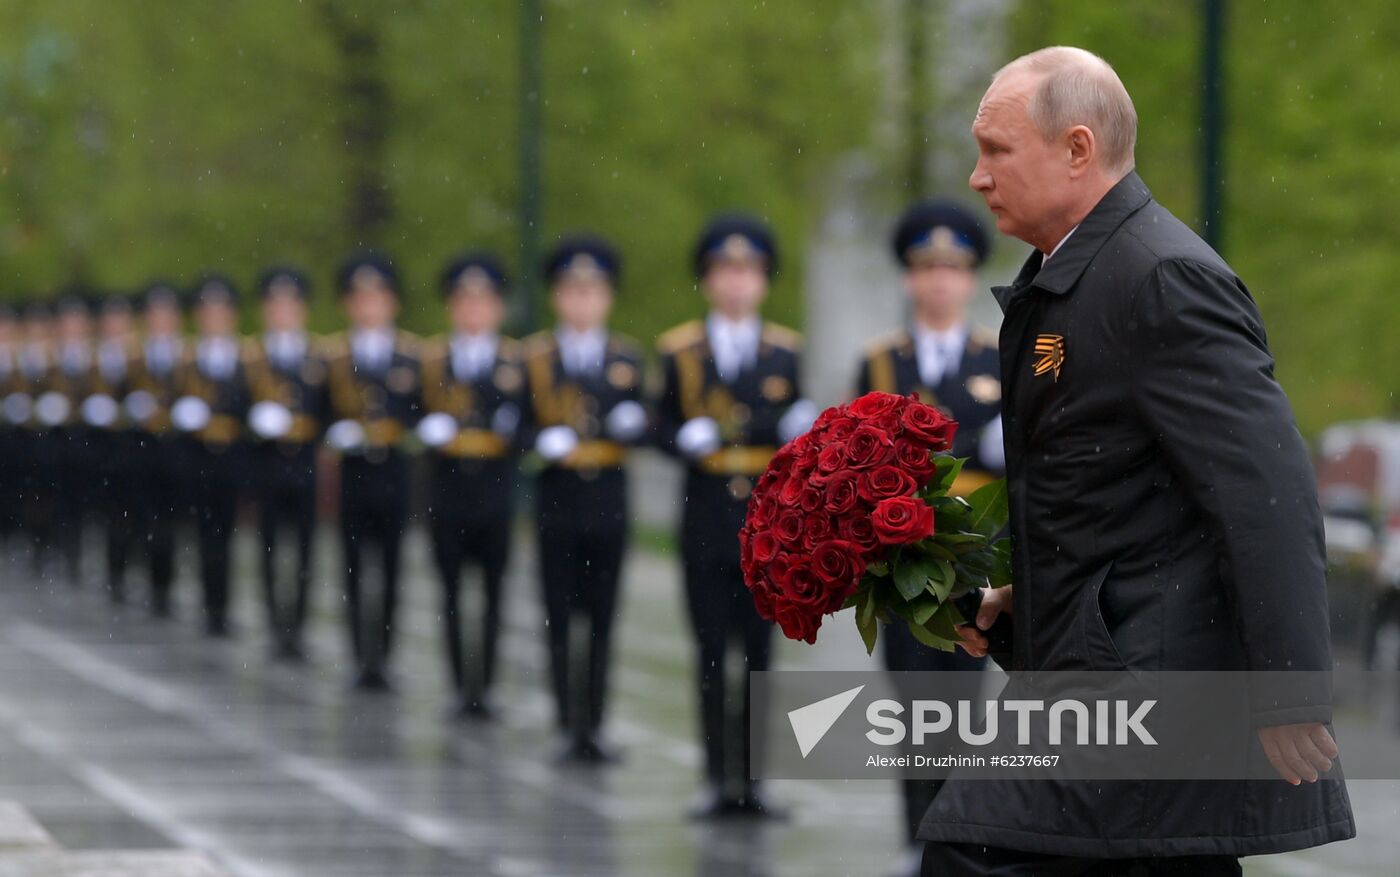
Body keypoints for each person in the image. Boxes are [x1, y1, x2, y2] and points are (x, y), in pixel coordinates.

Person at [918, 46, 1355, 874]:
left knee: (971, 848)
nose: (978, 177)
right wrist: (1031, 603)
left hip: (1141, 694)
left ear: (1078, 149)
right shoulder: (1075, 274)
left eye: (998, 151)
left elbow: (1267, 493)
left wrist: (1291, 688)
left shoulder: (1159, 277)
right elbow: (1113, 496)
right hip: (1102, 678)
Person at [655, 213, 816, 818]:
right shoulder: (679, 352)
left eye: (747, 271)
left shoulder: (785, 351)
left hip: (768, 526)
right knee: (707, 652)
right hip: (704, 518)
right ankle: (713, 778)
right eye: (725, 270)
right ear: (707, 280)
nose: (736, 283)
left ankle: (753, 782)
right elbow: (656, 424)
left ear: (763, 282)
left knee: (759, 657)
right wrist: (680, 438)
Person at [856, 199, 1000, 874]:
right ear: (911, 278)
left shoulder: (999, 359)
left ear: (970, 279)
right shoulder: (883, 363)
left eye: (953, 268)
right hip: (902, 549)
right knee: (911, 698)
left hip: (969, 551)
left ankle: (954, 837)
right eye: (927, 268)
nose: (940, 281)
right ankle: (916, 836)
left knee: (964, 699)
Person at [521, 236, 647, 763]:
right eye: (573, 291)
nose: (582, 302)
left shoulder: (626, 356)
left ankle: (594, 722)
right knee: (557, 612)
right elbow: (514, 425)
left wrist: (637, 423)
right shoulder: (533, 358)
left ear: (607, 298)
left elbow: (651, 417)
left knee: (601, 615)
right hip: (558, 498)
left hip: (609, 499)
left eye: (592, 291)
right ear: (557, 297)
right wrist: (537, 440)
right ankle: (564, 722)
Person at [419, 253, 524, 719]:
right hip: (448, 490)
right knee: (451, 593)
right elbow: (409, 409)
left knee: (495, 594)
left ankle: (488, 687)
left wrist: (514, 429)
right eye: (465, 302)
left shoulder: (517, 363)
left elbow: (532, 420)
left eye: (484, 302)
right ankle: (460, 686)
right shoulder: (432, 360)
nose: (474, 311)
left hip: (495, 491)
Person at [324, 252, 422, 691]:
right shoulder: (333, 356)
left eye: (378, 298)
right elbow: (316, 410)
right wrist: (335, 431)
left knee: (391, 568)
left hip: (394, 470)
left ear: (392, 303)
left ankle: (385, 656)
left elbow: (423, 411)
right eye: (361, 299)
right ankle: (358, 657)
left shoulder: (414, 356)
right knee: (351, 569)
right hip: (353, 472)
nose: (369, 307)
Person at [245, 267, 328, 662]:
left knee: (306, 551)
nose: (283, 311)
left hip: (306, 465)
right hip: (267, 465)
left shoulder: (320, 356)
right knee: (268, 548)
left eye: (290, 303)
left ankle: (299, 627)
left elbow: (331, 409)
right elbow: (233, 403)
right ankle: (274, 626)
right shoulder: (252, 357)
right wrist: (254, 420)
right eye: (275, 304)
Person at [171, 276, 251, 637]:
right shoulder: (186, 359)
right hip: (198, 457)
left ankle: (226, 606)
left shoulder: (249, 358)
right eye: (207, 311)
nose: (214, 318)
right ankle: (210, 605)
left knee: (232, 536)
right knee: (204, 535)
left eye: (221, 311)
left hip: (235, 457)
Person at [125, 282, 187, 618]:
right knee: (147, 523)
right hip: (144, 451)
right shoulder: (135, 357)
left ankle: (167, 585)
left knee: (175, 525)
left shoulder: (188, 356)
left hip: (178, 452)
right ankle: (154, 585)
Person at [90, 293, 139, 604]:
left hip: (133, 446)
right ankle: (113, 573)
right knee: (109, 514)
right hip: (102, 447)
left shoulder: (139, 358)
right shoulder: (95, 358)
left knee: (134, 514)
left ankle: (129, 574)